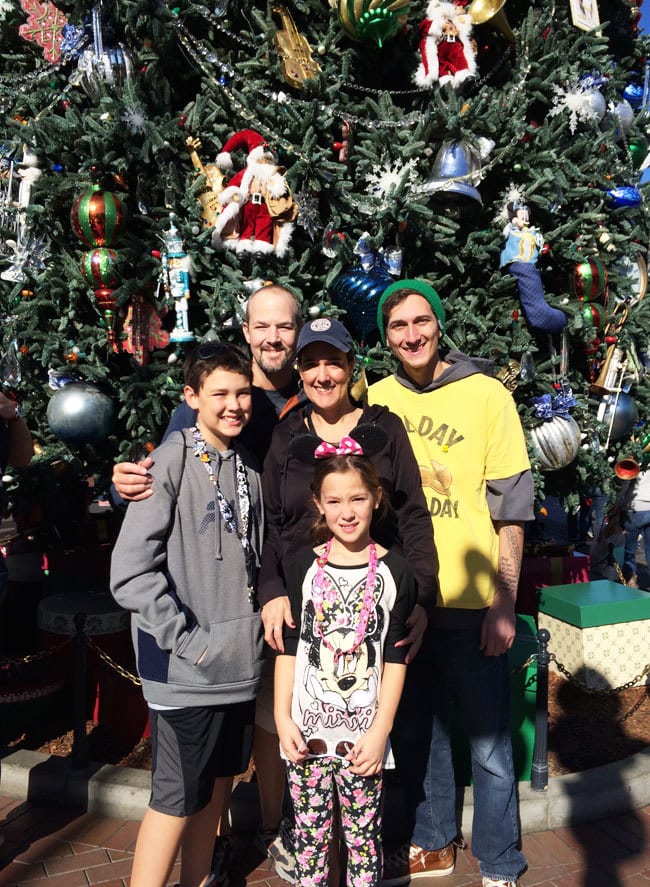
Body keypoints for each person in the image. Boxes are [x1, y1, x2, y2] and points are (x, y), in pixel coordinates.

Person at [111, 283, 303, 878]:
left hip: (237, 667)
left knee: (216, 790)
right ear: (191, 397)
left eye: (243, 393)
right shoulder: (170, 460)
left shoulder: (246, 463)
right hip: (186, 669)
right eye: (219, 393)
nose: (234, 404)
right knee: (175, 800)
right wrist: (185, 639)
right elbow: (129, 573)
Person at [367, 279, 533, 887]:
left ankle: (500, 860)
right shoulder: (376, 398)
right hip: (405, 599)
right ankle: (433, 841)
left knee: (489, 746)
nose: (410, 336)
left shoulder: (486, 395)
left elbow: (510, 511)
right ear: (386, 336)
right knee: (419, 733)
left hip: (470, 604)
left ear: (439, 325)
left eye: (420, 322)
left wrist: (504, 601)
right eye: (397, 327)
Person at [259, 316, 437, 879]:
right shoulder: (287, 434)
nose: (321, 373)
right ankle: (309, 855)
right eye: (309, 363)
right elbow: (269, 523)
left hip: (376, 608)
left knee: (371, 766)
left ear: (350, 365)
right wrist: (269, 591)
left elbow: (412, 516)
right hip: (303, 600)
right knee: (308, 770)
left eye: (331, 360)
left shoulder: (384, 430)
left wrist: (421, 600)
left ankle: (369, 856)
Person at [274, 445, 417, 887]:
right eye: (334, 501)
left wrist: (380, 733)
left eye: (357, 499)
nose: (347, 512)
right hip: (306, 736)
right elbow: (290, 647)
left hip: (363, 742)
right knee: (310, 844)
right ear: (318, 504)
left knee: (362, 844)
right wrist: (282, 717)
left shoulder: (397, 571)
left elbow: (396, 658)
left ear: (376, 497)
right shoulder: (301, 566)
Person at [620, 467, 650, 589]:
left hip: (634, 506)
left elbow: (624, 482)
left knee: (629, 548)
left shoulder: (632, 456)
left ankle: (631, 580)